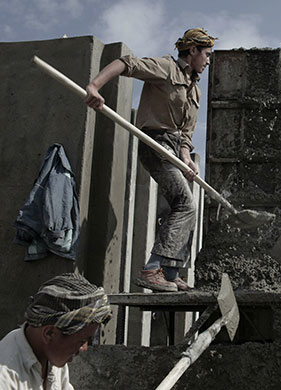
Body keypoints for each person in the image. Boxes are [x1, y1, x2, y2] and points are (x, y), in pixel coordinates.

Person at [85, 28, 217, 292]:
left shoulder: (195, 91)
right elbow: (126, 64)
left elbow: (186, 134)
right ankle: (151, 269)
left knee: (185, 208)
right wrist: (94, 86)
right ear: (192, 51)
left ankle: (170, 272)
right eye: (207, 54)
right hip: (154, 142)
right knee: (185, 203)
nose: (208, 60)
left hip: (172, 148)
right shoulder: (165, 67)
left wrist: (186, 158)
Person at [0, 273, 112, 389]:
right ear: (49, 334)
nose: (84, 348)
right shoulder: (5, 377)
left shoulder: (53, 355)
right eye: (81, 341)